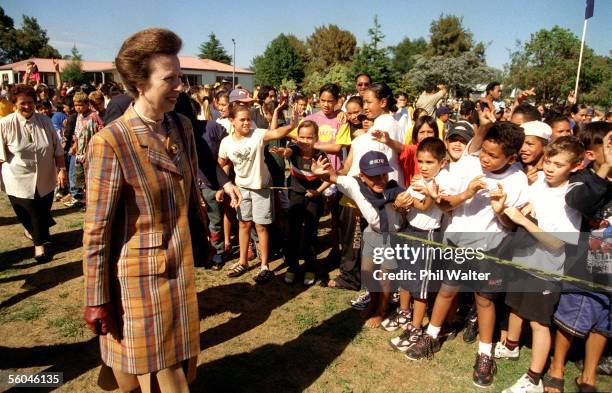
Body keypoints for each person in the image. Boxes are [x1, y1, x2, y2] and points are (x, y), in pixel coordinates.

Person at [82, 28, 201, 392]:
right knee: (157, 371)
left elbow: (191, 188)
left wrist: (202, 234)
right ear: (138, 83)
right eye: (170, 78)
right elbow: (97, 230)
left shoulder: (181, 126)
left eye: (181, 76)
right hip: (138, 281)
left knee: (179, 363)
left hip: (181, 271)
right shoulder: (111, 142)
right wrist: (96, 298)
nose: (181, 85)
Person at [406, 122, 528, 389]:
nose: (484, 158)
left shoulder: (517, 179)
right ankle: (430, 336)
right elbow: (445, 204)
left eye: (493, 156)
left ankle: (485, 353)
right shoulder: (470, 166)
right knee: (447, 291)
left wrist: (499, 210)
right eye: (483, 151)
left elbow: (511, 224)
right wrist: (462, 194)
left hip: (490, 250)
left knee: (484, 301)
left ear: (511, 157)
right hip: (458, 243)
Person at [498, 136, 584, 393]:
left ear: (575, 167)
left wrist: (525, 223)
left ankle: (534, 377)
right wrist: (504, 208)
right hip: (523, 259)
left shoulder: (570, 199)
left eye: (558, 165)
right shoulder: (538, 185)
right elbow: (523, 213)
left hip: (546, 268)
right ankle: (511, 346)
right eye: (548, 161)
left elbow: (558, 244)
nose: (549, 168)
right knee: (515, 306)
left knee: (538, 322)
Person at [543, 122, 612, 393]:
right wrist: (605, 170)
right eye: (607, 146)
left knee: (604, 320)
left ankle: (589, 374)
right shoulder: (582, 178)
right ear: (593, 153)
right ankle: (557, 366)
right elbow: (580, 203)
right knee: (575, 312)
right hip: (591, 257)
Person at [311, 151, 404, 328]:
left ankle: (380, 311)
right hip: (372, 233)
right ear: (362, 176)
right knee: (368, 272)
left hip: (391, 237)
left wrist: (404, 203)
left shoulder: (394, 189)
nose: (380, 180)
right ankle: (373, 302)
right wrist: (320, 172)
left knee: (384, 277)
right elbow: (333, 177)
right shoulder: (354, 184)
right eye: (374, 176)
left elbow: (409, 199)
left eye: (384, 174)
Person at [218, 103, 297, 282]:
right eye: (242, 120)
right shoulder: (226, 142)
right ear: (232, 121)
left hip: (261, 189)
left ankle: (264, 266)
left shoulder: (258, 135)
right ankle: (243, 261)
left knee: (261, 226)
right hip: (241, 190)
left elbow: (277, 133)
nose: (247, 123)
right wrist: (224, 186)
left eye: (249, 119)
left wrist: (293, 124)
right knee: (244, 224)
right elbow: (222, 163)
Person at [386, 138, 452, 347]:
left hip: (428, 237)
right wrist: (399, 204)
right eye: (421, 161)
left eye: (429, 162)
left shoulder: (440, 182)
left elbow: (425, 206)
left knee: (420, 287)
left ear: (442, 162)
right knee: (405, 276)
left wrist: (407, 199)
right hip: (410, 231)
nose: (424, 167)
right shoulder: (418, 178)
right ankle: (405, 313)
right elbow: (408, 205)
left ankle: (415, 327)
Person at [0, 84, 67, 261]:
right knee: (30, 211)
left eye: (30, 102)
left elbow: (57, 149)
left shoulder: (45, 121)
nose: (27, 106)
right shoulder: (5, 124)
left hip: (45, 177)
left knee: (43, 210)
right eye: (22, 103)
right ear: (14, 104)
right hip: (18, 178)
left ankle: (34, 231)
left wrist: (61, 170)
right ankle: (40, 246)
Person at [282, 120, 330, 285]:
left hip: (314, 198)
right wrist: (284, 151)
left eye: (309, 137)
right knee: (293, 231)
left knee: (311, 232)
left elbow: (330, 178)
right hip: (296, 195)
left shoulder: (320, 156)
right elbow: (288, 151)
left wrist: (318, 191)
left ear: (316, 138)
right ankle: (292, 267)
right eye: (301, 137)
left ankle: (310, 267)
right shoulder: (294, 149)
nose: (304, 141)